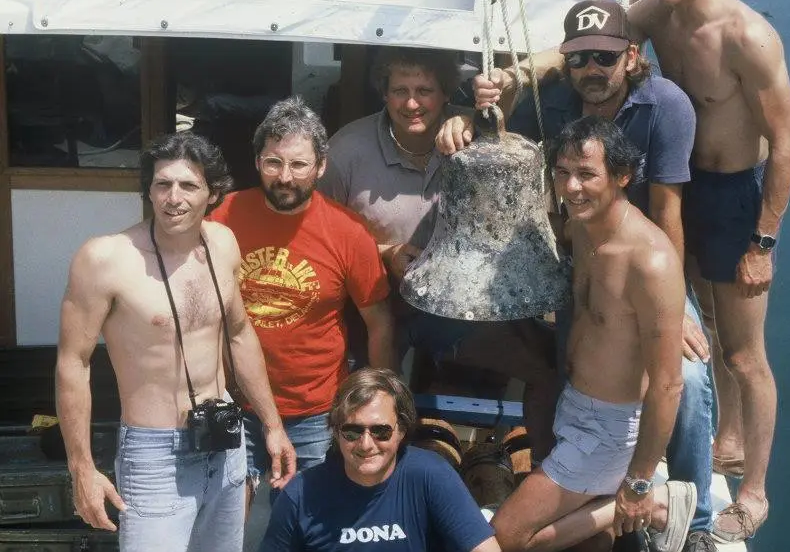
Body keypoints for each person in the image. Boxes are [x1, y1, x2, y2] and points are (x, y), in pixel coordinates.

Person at [437, 0, 716, 552]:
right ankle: (594, 492)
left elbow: (668, 214)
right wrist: (469, 116)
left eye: (605, 58)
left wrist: (676, 307)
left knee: (686, 380)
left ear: (631, 58)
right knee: (574, 351)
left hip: (618, 391)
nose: (593, 69)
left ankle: (689, 512)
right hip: (584, 398)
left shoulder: (664, 108)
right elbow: (498, 114)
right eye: (580, 58)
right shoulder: (578, 215)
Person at [624, 0, 790, 541]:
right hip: (682, 186)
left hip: (735, 198)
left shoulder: (746, 36)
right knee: (700, 314)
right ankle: (722, 432)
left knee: (744, 351)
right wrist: (518, 73)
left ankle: (755, 490)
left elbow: (787, 145)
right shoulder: (657, 16)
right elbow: (593, 38)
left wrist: (764, 240)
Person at [56, 131, 296, 552]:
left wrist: (272, 425)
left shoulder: (222, 243)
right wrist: (82, 467)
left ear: (212, 193)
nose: (173, 198)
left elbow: (238, 334)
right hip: (154, 455)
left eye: (188, 185)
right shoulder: (106, 258)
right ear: (148, 189)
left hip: (224, 442)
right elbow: (74, 363)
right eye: (162, 184)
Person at [318, 47, 560, 463]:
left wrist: (474, 118)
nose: (411, 103)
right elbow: (319, 234)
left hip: (446, 311)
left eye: (424, 91)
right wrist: (383, 253)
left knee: (546, 370)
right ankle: (372, 474)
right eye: (400, 90)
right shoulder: (346, 150)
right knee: (369, 404)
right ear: (384, 93)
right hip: (372, 307)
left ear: (446, 94)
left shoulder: (471, 132)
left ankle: (543, 468)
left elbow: (505, 103)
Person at [487, 117, 695, 552]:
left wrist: (638, 482)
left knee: (507, 535)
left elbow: (668, 383)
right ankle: (612, 510)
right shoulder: (580, 227)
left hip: (610, 428)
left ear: (622, 176)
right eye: (562, 173)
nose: (571, 187)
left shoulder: (650, 263)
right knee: (587, 543)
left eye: (586, 174)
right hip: (576, 405)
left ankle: (657, 503)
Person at [208, 96, 396, 504]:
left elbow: (378, 321)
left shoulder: (348, 231)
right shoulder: (221, 217)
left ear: (321, 166)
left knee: (304, 521)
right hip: (234, 404)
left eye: (298, 164)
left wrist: (380, 400)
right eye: (274, 163)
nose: (285, 177)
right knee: (224, 526)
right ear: (258, 161)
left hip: (314, 410)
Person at [259, 368, 501, 552]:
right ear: (336, 431)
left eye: (380, 431)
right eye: (352, 431)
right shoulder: (300, 495)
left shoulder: (431, 475)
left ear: (402, 430)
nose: (366, 444)